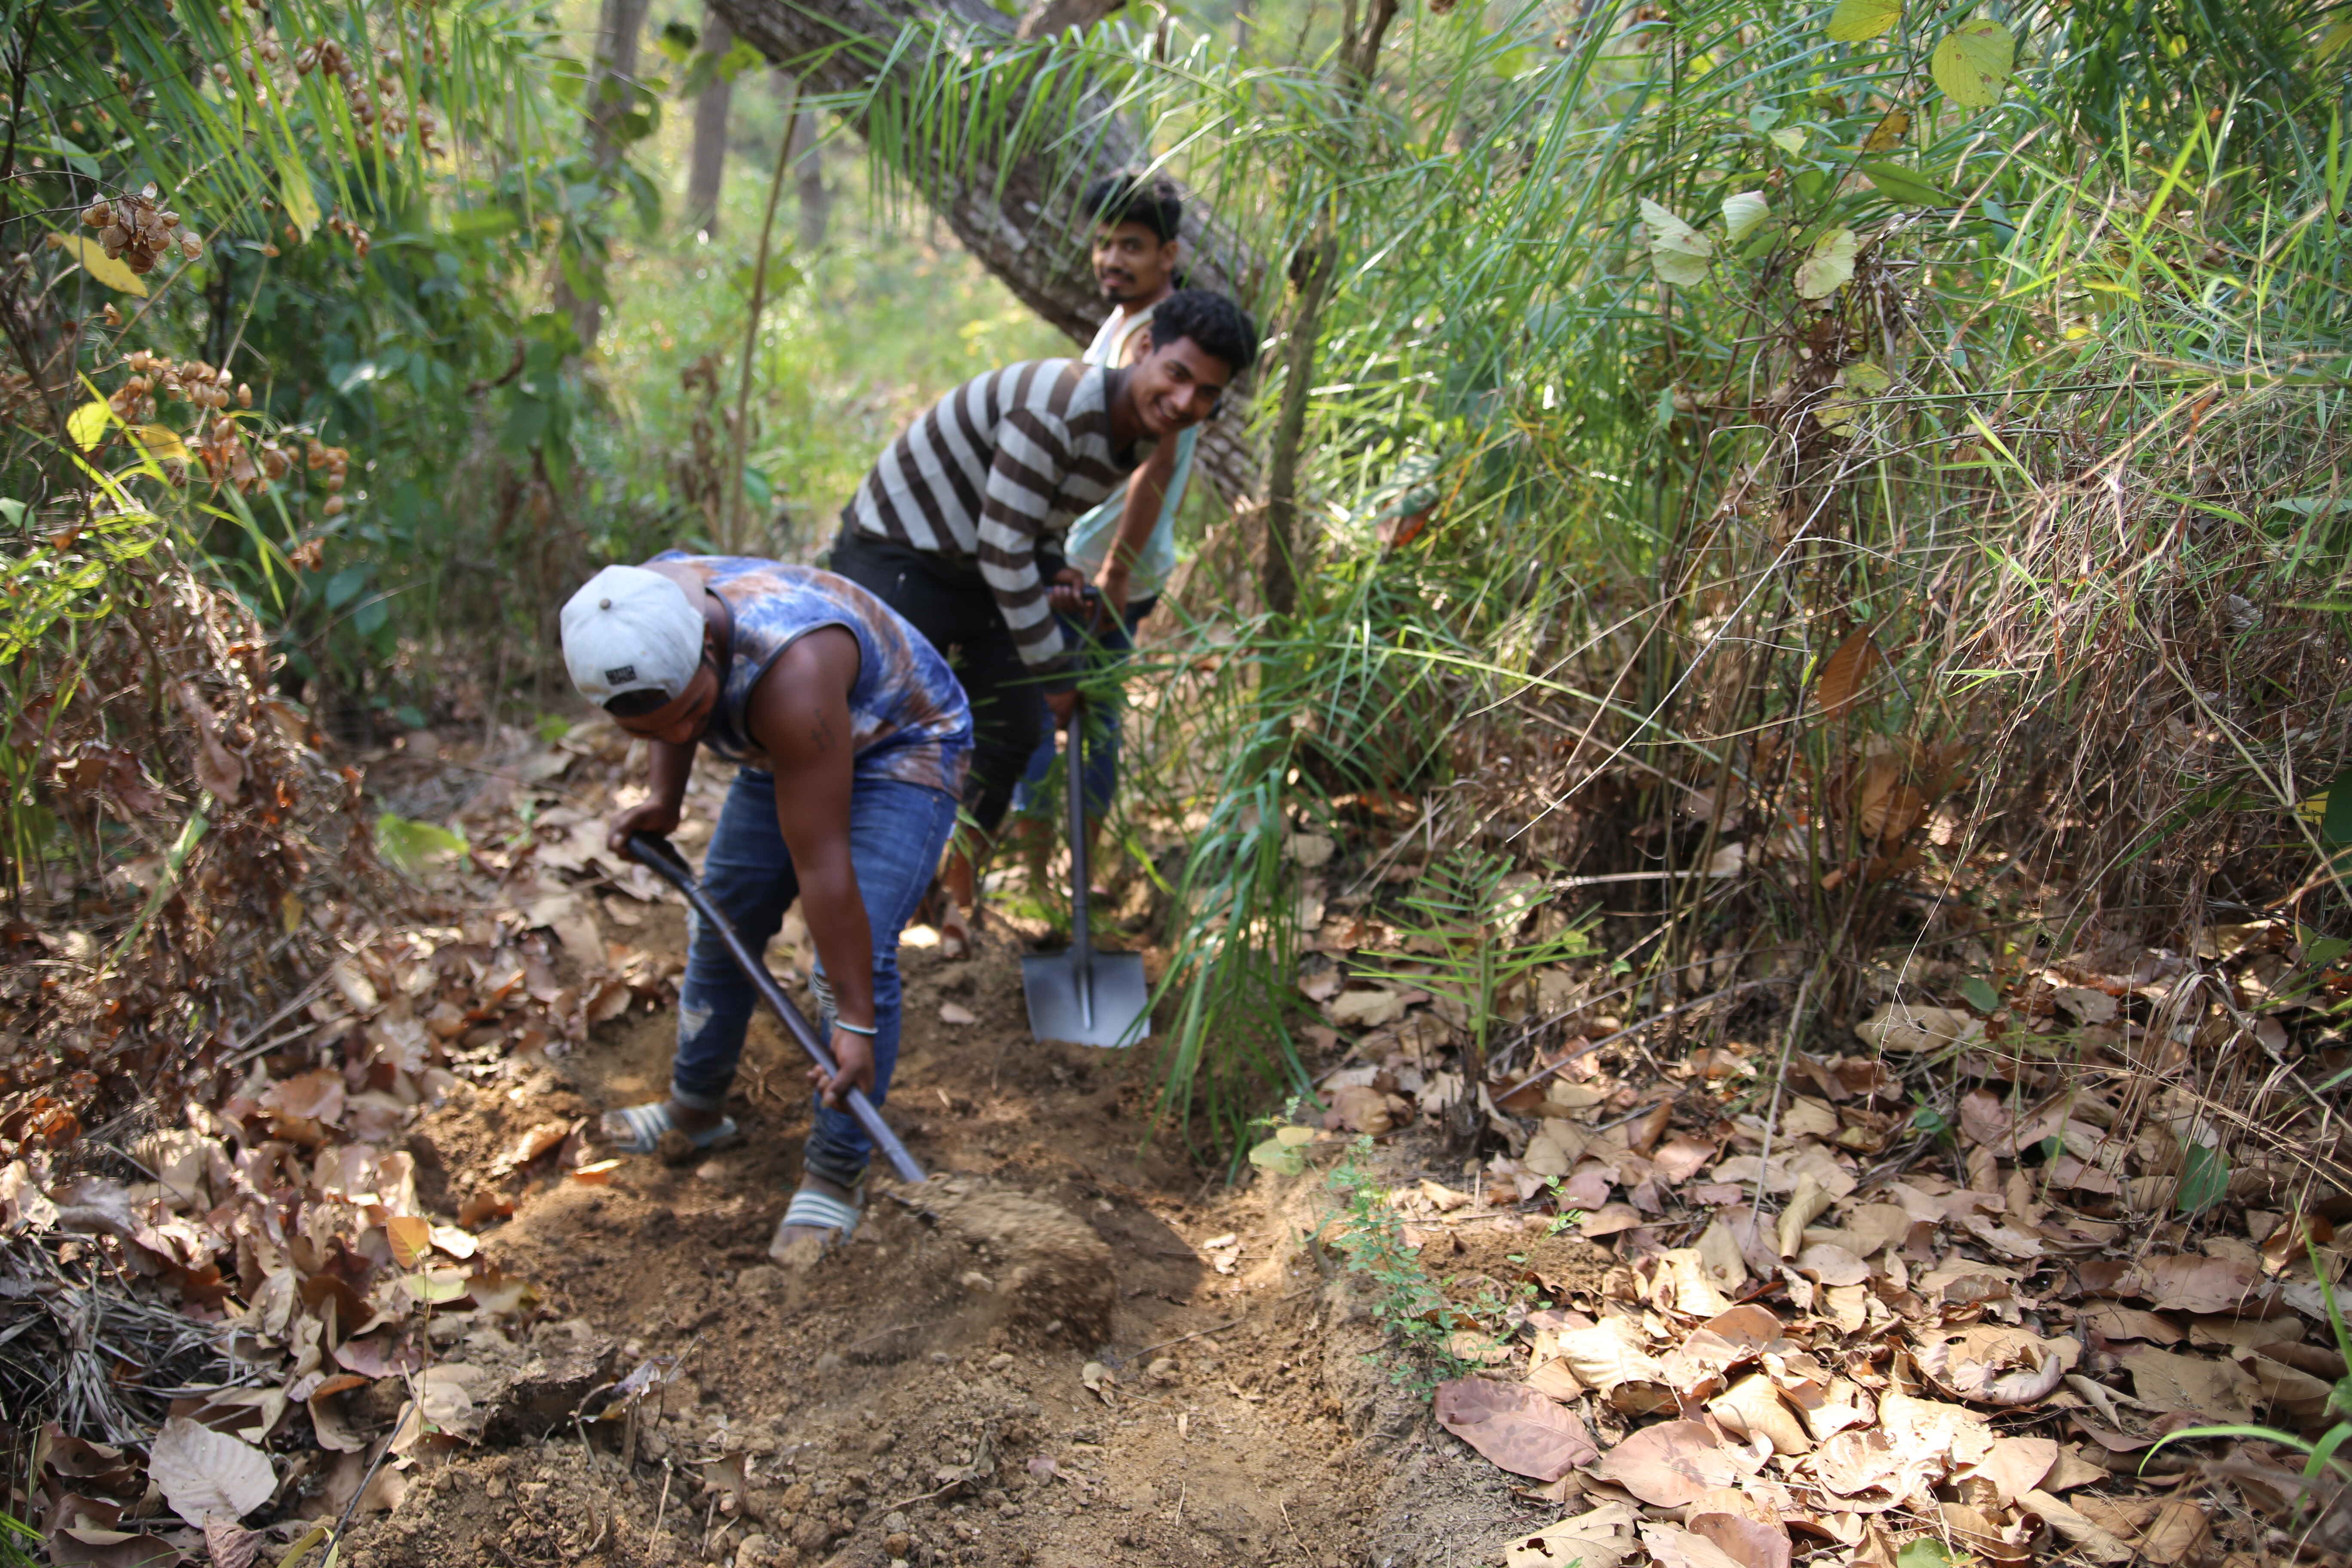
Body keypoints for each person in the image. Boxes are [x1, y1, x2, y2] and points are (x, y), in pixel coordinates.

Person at [561, 553, 970, 1264]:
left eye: (694, 713)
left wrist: (855, 1021)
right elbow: (671, 718)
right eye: (652, 731)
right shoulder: (636, 611)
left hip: (899, 744)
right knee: (724, 921)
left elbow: (823, 864)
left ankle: (836, 1171)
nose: (681, 737)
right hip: (779, 744)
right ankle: (696, 1109)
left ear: (708, 646)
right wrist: (664, 802)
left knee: (850, 963)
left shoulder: (792, 672)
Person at [827, 285, 1259, 956]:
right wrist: (1055, 672)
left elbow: (1035, 520)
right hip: (902, 548)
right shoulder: (1057, 408)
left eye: (1206, 393)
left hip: (976, 561)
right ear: (1144, 349)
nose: (1184, 402)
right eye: (1177, 374)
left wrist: (1054, 564)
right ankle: (855, 906)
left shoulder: (1139, 430)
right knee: (890, 721)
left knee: (1016, 726)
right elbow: (1004, 546)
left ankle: (953, 894)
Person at [1011, 173, 1201, 884]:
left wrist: (1114, 571)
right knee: (1085, 712)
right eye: (1104, 244)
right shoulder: (1127, 323)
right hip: (1096, 557)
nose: (1112, 260)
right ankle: (1060, 878)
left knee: (1056, 710)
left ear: (1169, 254)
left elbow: (1158, 465)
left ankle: (1052, 880)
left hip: (1103, 566)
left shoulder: (1158, 337)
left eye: (1132, 246)